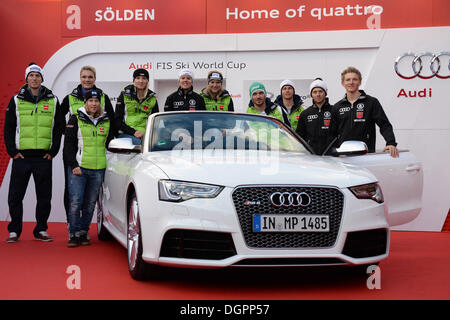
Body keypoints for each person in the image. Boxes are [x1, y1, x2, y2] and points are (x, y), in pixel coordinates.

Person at [4, 62, 64, 243]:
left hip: (43, 157)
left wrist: (53, 151)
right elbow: (9, 127)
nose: (34, 78)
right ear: (26, 79)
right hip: (21, 156)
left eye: (37, 76)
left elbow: (59, 127)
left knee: (44, 196)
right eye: (31, 75)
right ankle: (14, 230)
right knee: (15, 195)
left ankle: (41, 229)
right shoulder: (16, 99)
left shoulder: (53, 100)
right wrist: (13, 151)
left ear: (42, 79)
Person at [61, 65, 115, 222]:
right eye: (84, 77)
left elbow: (112, 122)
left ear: (95, 79)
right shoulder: (70, 97)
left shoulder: (103, 96)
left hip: (96, 154)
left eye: (90, 77)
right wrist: (69, 132)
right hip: (74, 151)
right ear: (80, 78)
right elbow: (58, 119)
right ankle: (71, 224)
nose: (87, 80)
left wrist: (108, 142)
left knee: (90, 197)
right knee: (72, 193)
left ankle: (83, 228)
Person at [63, 90, 114, 247]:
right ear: (85, 103)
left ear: (100, 103)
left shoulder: (106, 120)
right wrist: (74, 165)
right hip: (80, 168)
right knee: (75, 202)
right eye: (90, 101)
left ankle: (84, 232)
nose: (93, 103)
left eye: (96, 101)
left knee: (90, 203)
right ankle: (73, 233)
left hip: (98, 169)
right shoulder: (76, 118)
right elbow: (68, 145)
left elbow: (111, 142)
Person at [329, 67, 398, 157]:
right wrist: (333, 151)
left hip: (366, 154)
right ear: (343, 83)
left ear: (360, 82)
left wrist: (391, 143)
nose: (351, 82)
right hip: (343, 156)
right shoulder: (337, 106)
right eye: (348, 80)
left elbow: (384, 124)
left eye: (355, 79)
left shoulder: (371, 102)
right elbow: (331, 134)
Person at [115, 68, 158, 145]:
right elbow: (117, 120)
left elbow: (156, 121)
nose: (141, 81)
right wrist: (134, 132)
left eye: (144, 78)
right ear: (134, 80)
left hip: (146, 134)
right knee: (139, 144)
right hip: (126, 133)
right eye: (138, 78)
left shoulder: (152, 97)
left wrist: (148, 134)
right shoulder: (125, 94)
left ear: (147, 81)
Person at [296, 78, 334, 155]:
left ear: (325, 93)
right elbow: (300, 137)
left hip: (331, 155)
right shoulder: (305, 114)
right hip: (311, 155)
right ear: (311, 94)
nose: (318, 94)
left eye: (320, 91)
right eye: (315, 92)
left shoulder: (334, 111)